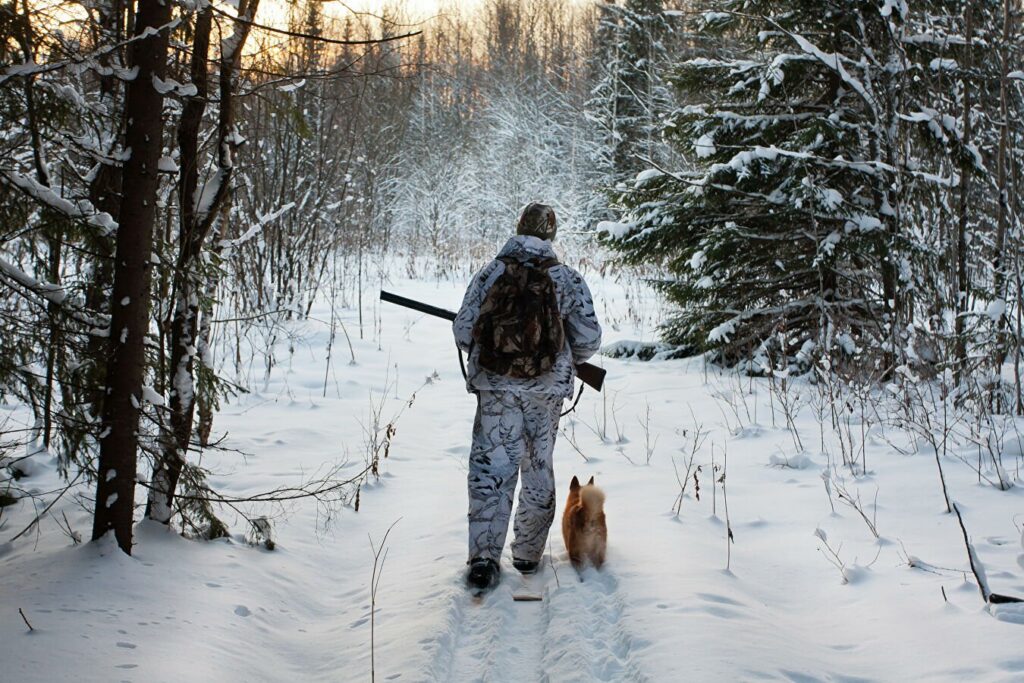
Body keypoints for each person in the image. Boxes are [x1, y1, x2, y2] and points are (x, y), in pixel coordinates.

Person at [453, 202, 603, 591]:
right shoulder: (566, 279)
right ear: (550, 236)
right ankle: (528, 555)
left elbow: (463, 330)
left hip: (496, 389)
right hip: (545, 392)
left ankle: (484, 560)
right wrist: (563, 360)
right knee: (537, 466)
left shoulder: (490, 273)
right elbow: (589, 337)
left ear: (518, 228)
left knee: (490, 470)